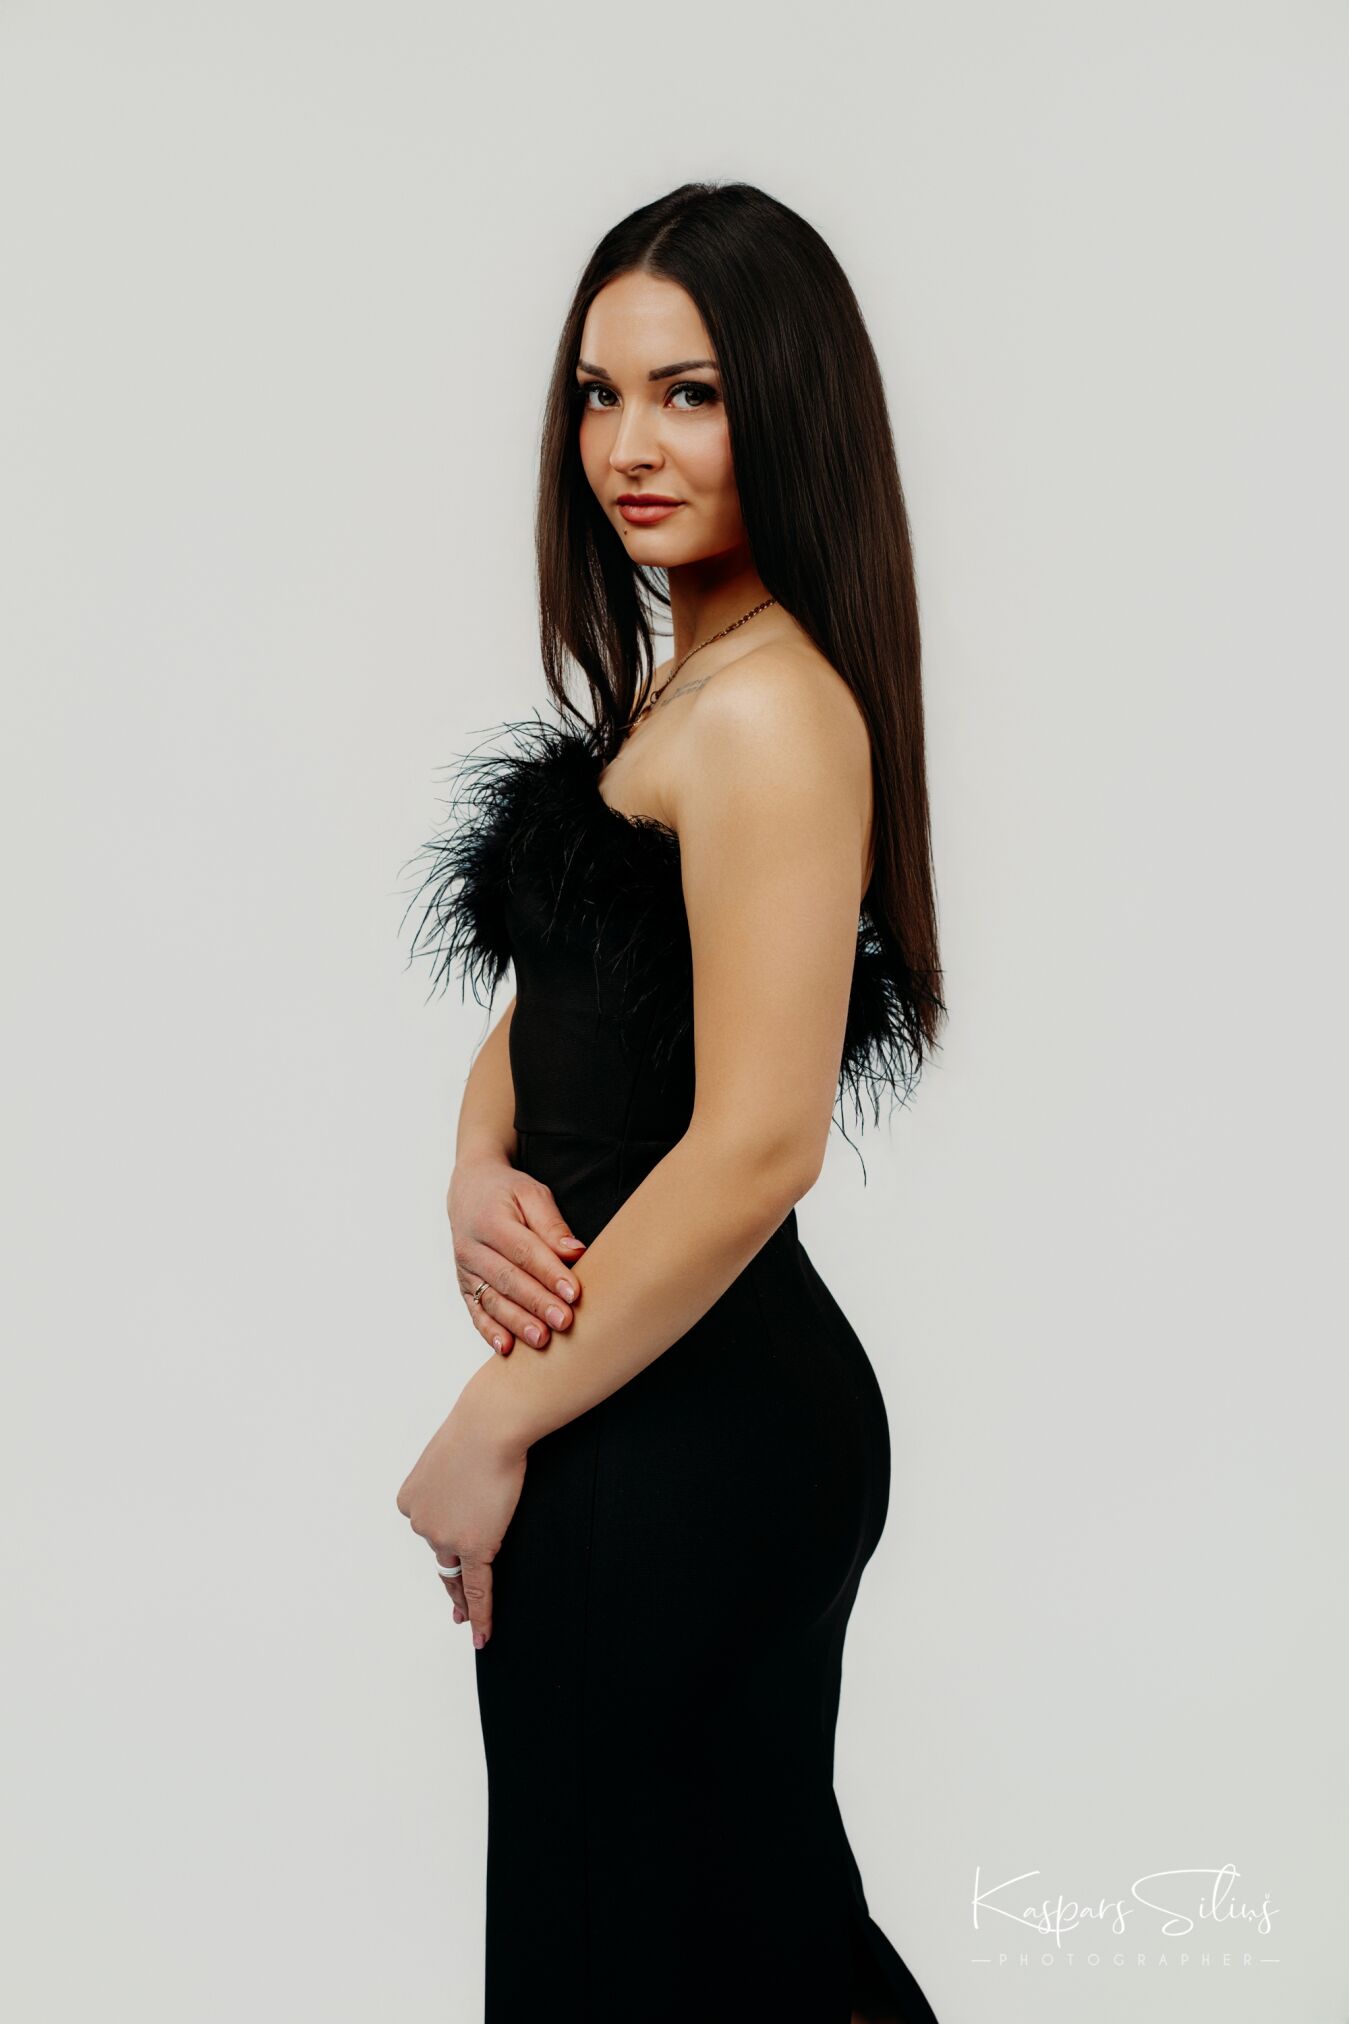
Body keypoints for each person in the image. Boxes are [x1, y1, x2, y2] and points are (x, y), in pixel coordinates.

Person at [397, 180, 946, 2024]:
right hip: (645, 1412)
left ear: (784, 403)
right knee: (682, 1939)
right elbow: (575, 998)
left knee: (663, 1949)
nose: (626, 446)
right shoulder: (689, 689)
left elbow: (761, 1140)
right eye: (597, 394)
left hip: (687, 1433)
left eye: (688, 394)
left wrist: (492, 1418)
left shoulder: (771, 710)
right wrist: (472, 1161)